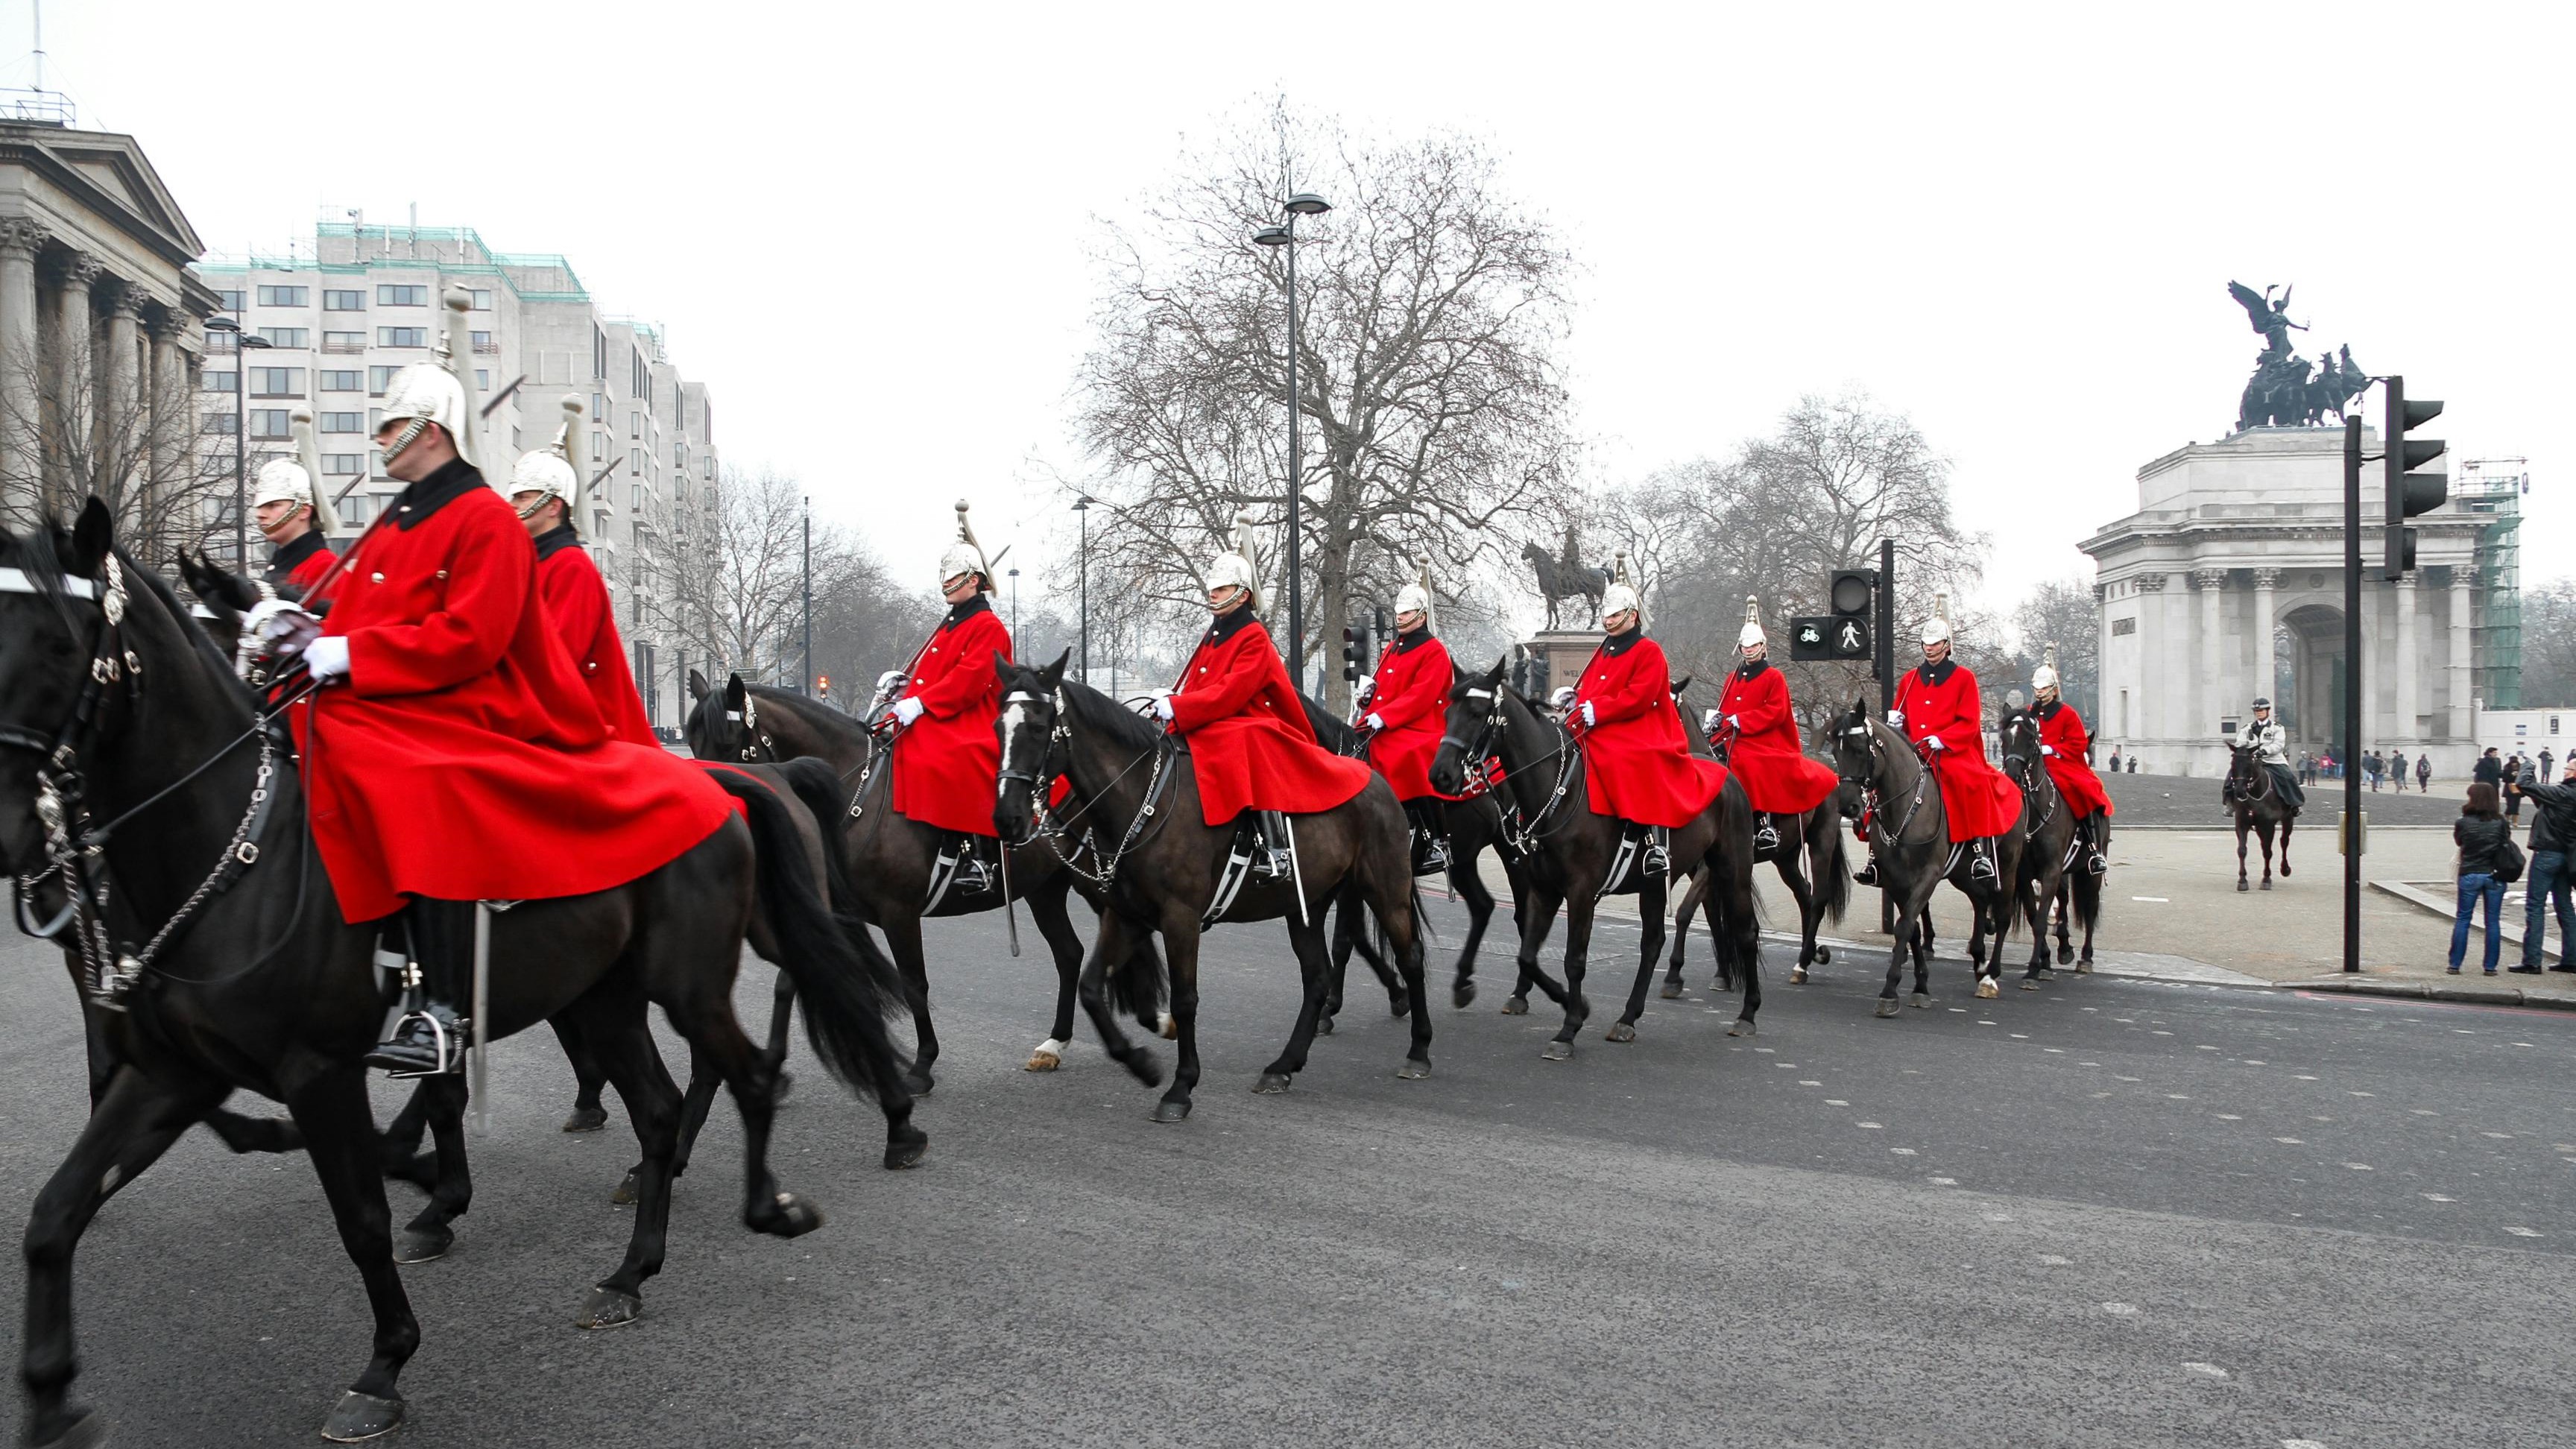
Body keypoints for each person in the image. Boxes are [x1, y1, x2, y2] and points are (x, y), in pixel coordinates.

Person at [282, 334, 736, 1076]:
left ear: (431, 431)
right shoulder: (399, 522)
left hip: (488, 702)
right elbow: (366, 616)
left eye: (391, 428)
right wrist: (303, 639)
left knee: (421, 779)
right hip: (405, 693)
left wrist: (353, 655)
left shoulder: (488, 523)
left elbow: (474, 638)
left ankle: (441, 1006)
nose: (378, 440)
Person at [1150, 511, 1371, 874]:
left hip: (1261, 721)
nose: (1212, 593)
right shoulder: (1217, 632)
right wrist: (1172, 699)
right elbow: (1202, 683)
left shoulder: (1253, 636)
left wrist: (1181, 707)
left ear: (1242, 594)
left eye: (1220, 589)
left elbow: (1232, 693)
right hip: (1223, 716)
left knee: (1244, 737)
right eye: (1213, 588)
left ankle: (1274, 847)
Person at [505, 400, 656, 747]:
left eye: (523, 497)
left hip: (591, 728)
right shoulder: (530, 566)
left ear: (553, 506)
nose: (511, 505)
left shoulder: (570, 566)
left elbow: (555, 659)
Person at [1565, 561, 1727, 878]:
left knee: (1636, 759)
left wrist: (1599, 711)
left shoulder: (1648, 651)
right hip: (1603, 727)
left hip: (1643, 729)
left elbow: (1640, 696)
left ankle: (1655, 842)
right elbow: (1595, 689)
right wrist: (1576, 700)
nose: (1608, 622)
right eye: (1606, 616)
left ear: (1632, 616)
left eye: (1614, 616)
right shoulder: (1604, 650)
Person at [886, 502, 1014, 894]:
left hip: (974, 717)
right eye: (944, 577)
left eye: (954, 577)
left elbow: (969, 681)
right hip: (943, 711)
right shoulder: (952, 624)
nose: (946, 583)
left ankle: (974, 852)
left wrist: (922, 704)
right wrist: (903, 687)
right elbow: (932, 675)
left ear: (974, 580)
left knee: (949, 755)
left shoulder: (989, 626)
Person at [1884, 599, 2023, 882]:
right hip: (1916, 751)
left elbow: (1969, 723)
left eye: (1935, 644)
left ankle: (1979, 851)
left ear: (1947, 645)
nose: (1929, 648)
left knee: (1969, 782)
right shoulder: (1910, 679)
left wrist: (1943, 739)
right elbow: (1901, 714)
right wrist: (1895, 725)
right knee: (1883, 782)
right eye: (1926, 643)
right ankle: (1878, 854)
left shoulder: (1964, 678)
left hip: (1952, 752)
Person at [1710, 596, 1839, 853]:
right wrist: (1718, 720)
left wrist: (1744, 720)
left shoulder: (1773, 677)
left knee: (1750, 763)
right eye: (1744, 646)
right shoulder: (1731, 678)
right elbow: (1725, 707)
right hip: (1731, 737)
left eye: (1753, 645)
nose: (1748, 650)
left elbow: (1777, 711)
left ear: (1762, 646)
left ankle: (1765, 823)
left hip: (1765, 740)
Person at [1357, 562, 1458, 876]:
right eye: (1398, 614)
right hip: (1384, 721)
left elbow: (1421, 696)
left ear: (1421, 616)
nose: (1399, 619)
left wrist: (1385, 717)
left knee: (1409, 754)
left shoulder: (1434, 651)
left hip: (1421, 726)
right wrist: (1367, 698)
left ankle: (1438, 841)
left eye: (1405, 614)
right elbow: (1385, 688)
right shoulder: (1392, 649)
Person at [2028, 652, 2112, 874]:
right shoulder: (2029, 714)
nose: (2040, 692)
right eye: (2037, 688)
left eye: (2044, 688)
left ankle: (2094, 848)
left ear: (2054, 690)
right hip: (2033, 766)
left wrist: (2053, 749)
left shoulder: (2068, 714)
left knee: (2084, 790)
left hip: (2061, 764)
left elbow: (2077, 744)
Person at [2515, 755, 2576, 974]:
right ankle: (2571, 959)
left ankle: (2532, 961)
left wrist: (2528, 766)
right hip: (2566, 857)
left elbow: (2523, 784)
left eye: (2568, 769)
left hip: (2548, 854)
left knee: (2535, 905)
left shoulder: (2565, 792)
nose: (2565, 772)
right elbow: (2544, 803)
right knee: (2565, 906)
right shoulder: (2565, 795)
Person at [252, 455, 341, 595]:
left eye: (272, 505)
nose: (260, 514)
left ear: (304, 511)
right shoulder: (280, 562)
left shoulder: (325, 565)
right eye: (260, 507)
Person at [2449, 783, 2513, 976]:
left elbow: (2460, 842)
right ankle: (2490, 966)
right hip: (2495, 874)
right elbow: (2506, 843)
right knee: (2493, 921)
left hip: (2470, 872)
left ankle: (2455, 964)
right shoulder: (2501, 822)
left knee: (2463, 919)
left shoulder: (2463, 821)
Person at [2231, 698, 2302, 813]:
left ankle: (2294, 804)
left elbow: (2279, 745)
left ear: (2267, 711)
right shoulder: (2247, 728)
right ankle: (2229, 802)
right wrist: (2244, 751)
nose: (2259, 713)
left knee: (2288, 777)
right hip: (2252, 761)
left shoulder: (2277, 728)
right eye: (2257, 711)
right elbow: (2240, 742)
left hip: (2273, 761)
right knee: (2232, 776)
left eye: (2262, 710)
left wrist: (2264, 751)